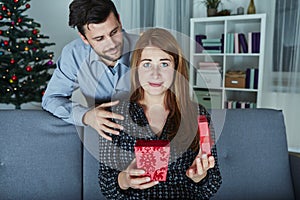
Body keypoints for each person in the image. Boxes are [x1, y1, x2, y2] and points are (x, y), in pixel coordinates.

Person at [98, 28, 222, 199]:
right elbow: (106, 184)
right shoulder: (115, 115)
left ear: (176, 69)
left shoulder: (197, 114)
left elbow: (213, 184)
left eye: (164, 64)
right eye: (147, 64)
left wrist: (200, 177)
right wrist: (125, 180)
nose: (155, 74)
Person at [42, 0, 138, 140]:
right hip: (100, 138)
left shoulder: (146, 48)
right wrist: (86, 116)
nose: (111, 45)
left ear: (119, 20)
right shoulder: (74, 54)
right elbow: (51, 98)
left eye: (114, 32)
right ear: (84, 38)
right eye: (99, 38)